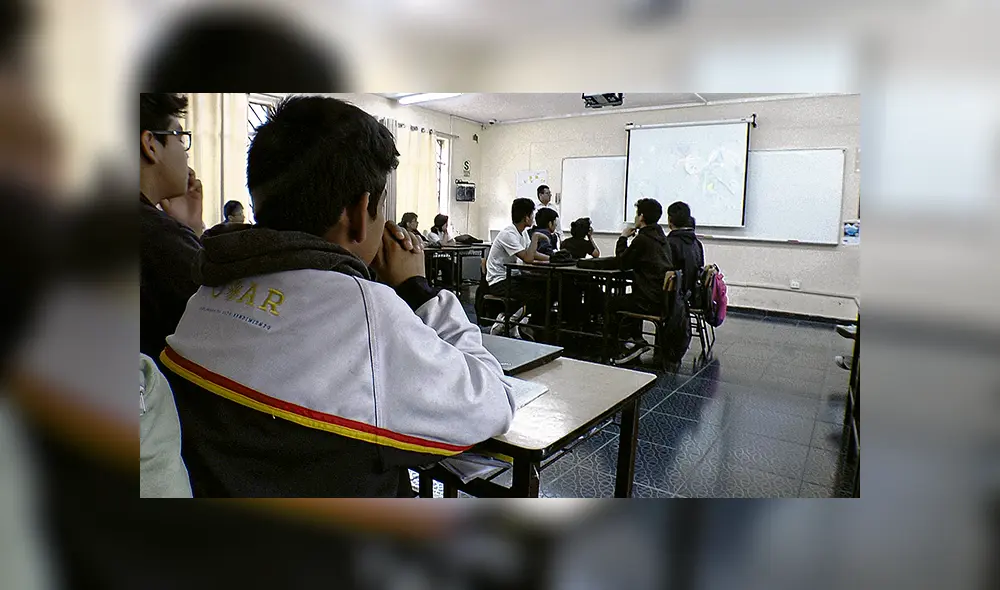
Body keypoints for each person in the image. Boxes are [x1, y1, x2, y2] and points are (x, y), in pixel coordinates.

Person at [159, 96, 515, 497]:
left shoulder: (208, 287)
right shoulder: (367, 313)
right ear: (361, 213)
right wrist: (418, 289)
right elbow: (493, 400)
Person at [140, 93, 206, 360]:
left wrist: (187, 229)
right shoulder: (158, 237)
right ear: (150, 145)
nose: (185, 152)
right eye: (179, 137)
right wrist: (187, 233)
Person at [608, 198, 672, 365]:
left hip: (647, 299)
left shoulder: (642, 239)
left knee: (610, 303)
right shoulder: (661, 237)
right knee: (628, 298)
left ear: (641, 217)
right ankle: (635, 339)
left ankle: (627, 344)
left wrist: (623, 238)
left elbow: (622, 263)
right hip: (659, 297)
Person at [485, 198, 551, 339]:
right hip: (499, 281)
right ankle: (506, 322)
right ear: (526, 217)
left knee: (545, 288)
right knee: (536, 295)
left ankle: (520, 323)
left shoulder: (523, 233)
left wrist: (552, 259)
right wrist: (536, 237)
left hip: (514, 277)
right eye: (532, 215)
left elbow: (532, 253)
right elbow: (528, 258)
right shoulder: (508, 234)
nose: (533, 218)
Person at [665, 201, 705, 303]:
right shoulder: (697, 244)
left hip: (673, 298)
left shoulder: (669, 244)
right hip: (693, 294)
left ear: (669, 220)